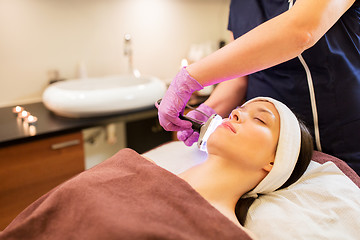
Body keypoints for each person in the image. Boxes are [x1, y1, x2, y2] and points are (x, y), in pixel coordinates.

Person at [0, 97, 313, 240]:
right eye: (238, 110)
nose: (235, 115)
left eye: (259, 119)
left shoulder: (224, 233)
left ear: (274, 162)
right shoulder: (131, 164)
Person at [157, 0, 360, 175]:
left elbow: (301, 30)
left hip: (340, 145)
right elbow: (240, 77)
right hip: (269, 159)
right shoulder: (240, 4)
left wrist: (190, 77)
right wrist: (208, 110)